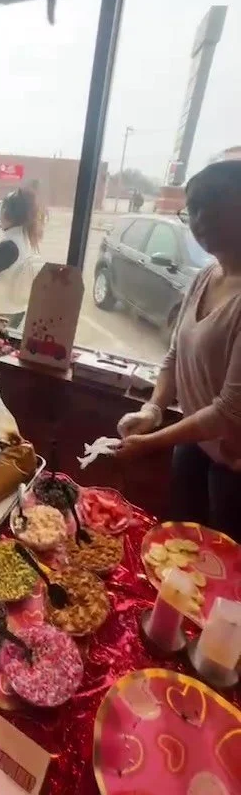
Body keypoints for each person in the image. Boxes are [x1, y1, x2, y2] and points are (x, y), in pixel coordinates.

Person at [116, 160, 241, 541]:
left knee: (222, 566)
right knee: (178, 549)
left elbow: (228, 412)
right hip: (194, 445)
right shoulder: (205, 276)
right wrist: (153, 409)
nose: (199, 219)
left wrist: (150, 442)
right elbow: (174, 356)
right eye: (193, 209)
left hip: (234, 468)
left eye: (211, 205)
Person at [0, 187, 45, 328]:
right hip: (18, 309)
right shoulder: (28, 240)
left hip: (2, 313)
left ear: (6, 213)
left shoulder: (9, 247)